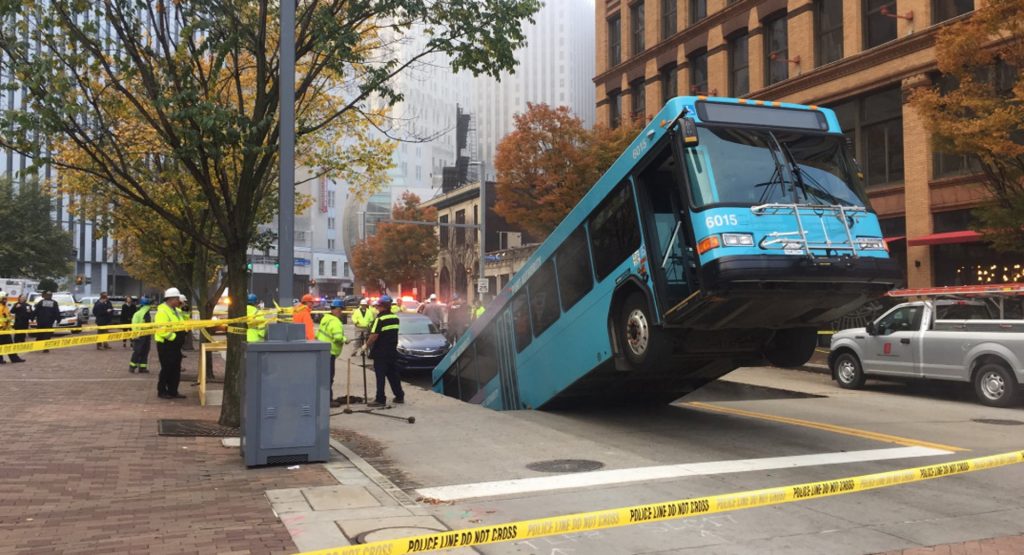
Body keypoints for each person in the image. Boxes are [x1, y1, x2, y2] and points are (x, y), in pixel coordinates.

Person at [363, 295, 403, 407]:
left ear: (382, 306)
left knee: (380, 376)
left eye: (378, 306)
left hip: (381, 352)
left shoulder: (379, 319)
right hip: (392, 351)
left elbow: (374, 335)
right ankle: (399, 396)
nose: (377, 308)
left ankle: (380, 399)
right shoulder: (395, 318)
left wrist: (365, 346)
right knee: (393, 375)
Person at [154, 288, 186, 399]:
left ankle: (173, 391)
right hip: (166, 344)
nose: (179, 300)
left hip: (175, 345)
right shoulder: (162, 311)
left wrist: (184, 309)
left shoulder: (176, 310)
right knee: (167, 368)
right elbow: (161, 330)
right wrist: (174, 338)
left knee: (176, 368)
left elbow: (184, 322)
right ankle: (162, 391)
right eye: (177, 298)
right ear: (170, 299)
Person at [316, 299, 347, 408]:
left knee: (322, 376)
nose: (341, 312)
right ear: (336, 309)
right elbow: (337, 337)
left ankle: (321, 398)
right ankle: (327, 400)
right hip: (330, 352)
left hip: (321, 350)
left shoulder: (325, 319)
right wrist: (345, 339)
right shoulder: (335, 321)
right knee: (328, 377)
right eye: (340, 310)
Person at [0, 291, 26, 364]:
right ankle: (1, 360)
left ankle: (14, 358)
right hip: (1, 330)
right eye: (4, 299)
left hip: (5, 330)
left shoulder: (5, 307)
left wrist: (10, 322)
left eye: (6, 299)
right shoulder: (0, 307)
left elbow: (7, 317)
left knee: (10, 345)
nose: (6, 300)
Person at [129, 296, 152, 373]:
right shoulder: (139, 314)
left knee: (145, 351)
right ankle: (132, 366)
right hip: (140, 335)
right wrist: (136, 335)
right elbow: (134, 325)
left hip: (147, 335)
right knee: (138, 351)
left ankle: (142, 367)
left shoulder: (147, 313)